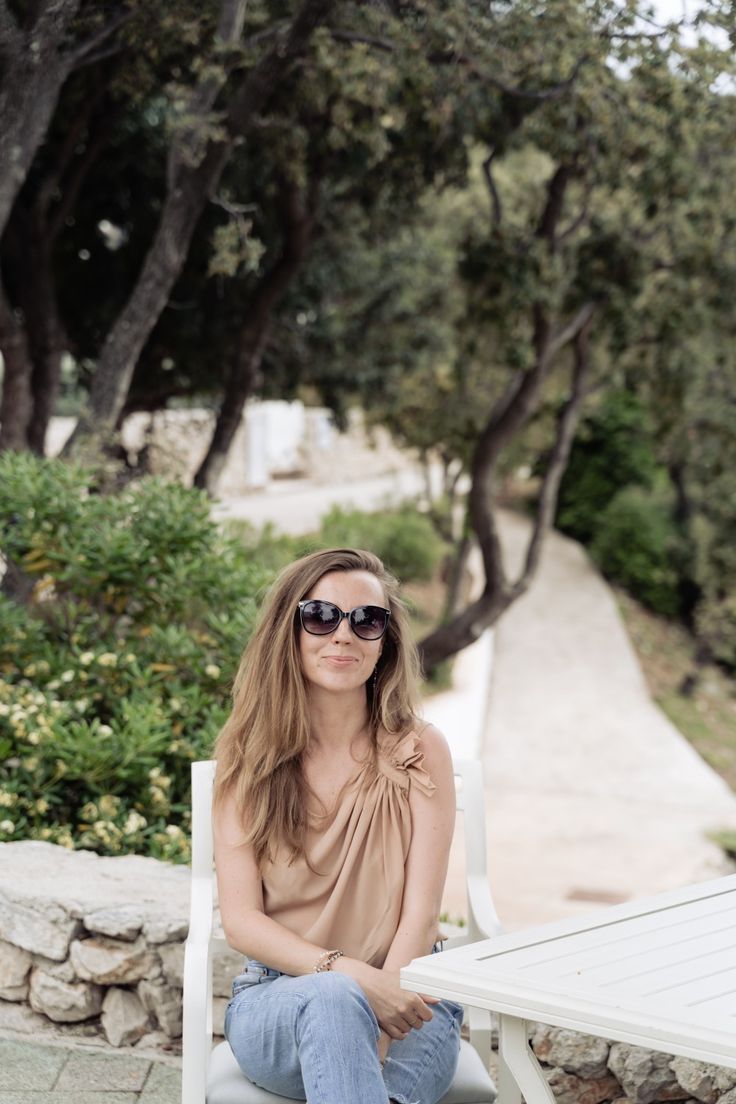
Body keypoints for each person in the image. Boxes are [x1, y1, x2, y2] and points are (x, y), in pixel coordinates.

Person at [213, 547, 463, 1104]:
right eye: (322, 616)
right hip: (280, 1003)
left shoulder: (421, 750)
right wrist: (348, 979)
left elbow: (421, 918)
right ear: (291, 629)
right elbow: (242, 921)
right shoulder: (247, 760)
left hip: (411, 995)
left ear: (386, 641)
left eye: (367, 620)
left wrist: (377, 1017)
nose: (343, 635)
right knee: (331, 1000)